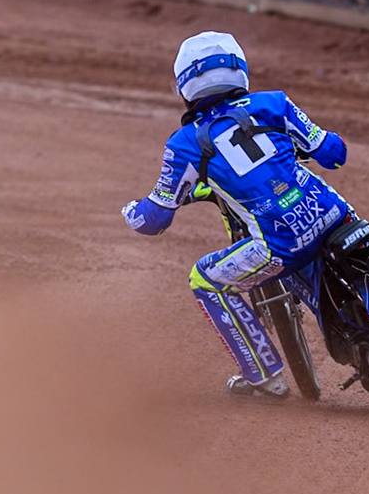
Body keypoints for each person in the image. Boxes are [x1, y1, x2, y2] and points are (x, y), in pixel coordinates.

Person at [122, 31, 351, 402]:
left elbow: (155, 220)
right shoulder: (275, 103)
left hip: (278, 245)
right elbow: (334, 154)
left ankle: (263, 376)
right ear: (239, 69)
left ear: (185, 85)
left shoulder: (185, 143)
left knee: (205, 279)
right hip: (333, 214)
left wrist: (130, 212)